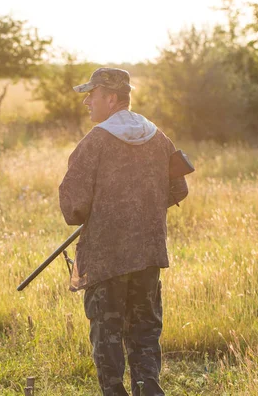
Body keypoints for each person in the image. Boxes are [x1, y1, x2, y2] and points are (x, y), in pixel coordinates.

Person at [59, 68, 189, 396]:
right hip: (148, 255)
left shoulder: (95, 141)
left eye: (93, 95)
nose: (87, 101)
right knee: (144, 333)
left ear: (112, 98)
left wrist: (109, 210)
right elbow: (179, 189)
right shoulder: (158, 137)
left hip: (106, 260)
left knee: (108, 335)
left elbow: (73, 208)